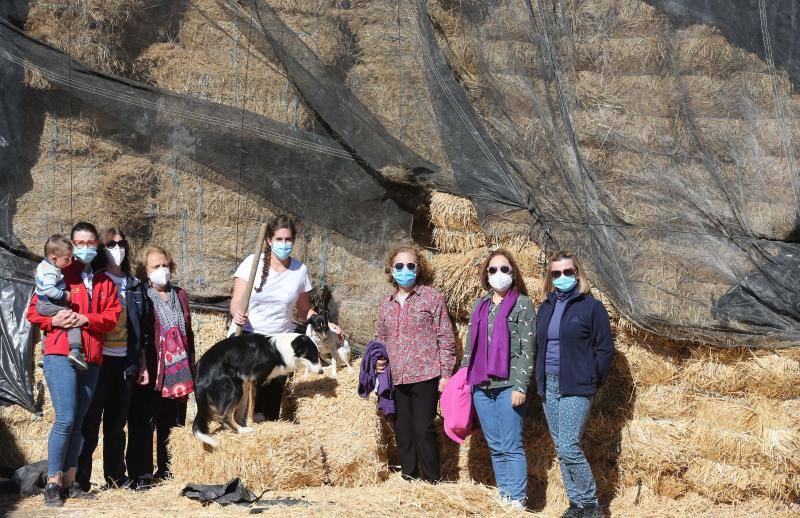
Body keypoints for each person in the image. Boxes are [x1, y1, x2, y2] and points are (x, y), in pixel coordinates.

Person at [26, 222, 121, 507]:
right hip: (60, 353)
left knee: (79, 422)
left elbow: (112, 316)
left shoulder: (105, 281)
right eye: (78, 243)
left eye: (90, 243)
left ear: (97, 246)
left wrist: (88, 319)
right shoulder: (58, 273)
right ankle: (52, 484)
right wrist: (53, 320)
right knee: (65, 418)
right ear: (71, 245)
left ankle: (71, 481)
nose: (84, 248)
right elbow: (35, 311)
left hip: (91, 357)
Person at [229, 215, 343, 422]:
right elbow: (236, 301)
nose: (284, 244)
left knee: (270, 405)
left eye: (288, 240)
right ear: (269, 241)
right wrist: (237, 313)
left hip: (279, 341)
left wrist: (325, 324)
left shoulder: (299, 270)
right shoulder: (251, 263)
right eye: (279, 239)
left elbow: (304, 310)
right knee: (244, 400)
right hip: (248, 337)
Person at [535, 251, 614, 518]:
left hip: (577, 384)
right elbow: (540, 346)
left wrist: (594, 378)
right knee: (561, 447)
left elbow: (604, 348)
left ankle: (591, 504)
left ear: (577, 274)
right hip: (550, 384)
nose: (562, 277)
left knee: (569, 445)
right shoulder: (545, 306)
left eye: (567, 272)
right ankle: (576, 503)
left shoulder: (591, 307)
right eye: (556, 273)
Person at [374, 245, 455, 483]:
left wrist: (446, 373)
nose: (405, 270)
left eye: (411, 266)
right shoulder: (386, 304)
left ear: (418, 269)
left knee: (423, 428)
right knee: (403, 431)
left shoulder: (431, 297)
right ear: (391, 270)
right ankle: (409, 477)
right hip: (396, 376)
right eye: (399, 266)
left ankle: (431, 481)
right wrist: (379, 362)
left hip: (425, 374)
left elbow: (445, 336)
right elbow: (381, 338)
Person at [461, 249, 534, 509]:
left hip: (508, 386)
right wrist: (464, 378)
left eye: (505, 269)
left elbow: (528, 349)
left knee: (511, 443)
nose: (499, 274)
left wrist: (521, 385)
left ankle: (517, 499)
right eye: (493, 270)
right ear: (486, 275)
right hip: (481, 386)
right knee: (495, 445)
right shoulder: (479, 306)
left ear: (513, 274)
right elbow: (470, 346)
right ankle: (505, 495)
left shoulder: (522, 303)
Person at [76, 229, 146, 490]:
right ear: (101, 249)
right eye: (111, 244)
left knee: (117, 426)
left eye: (121, 243)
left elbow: (141, 330)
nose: (117, 248)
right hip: (99, 360)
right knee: (90, 422)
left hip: (125, 362)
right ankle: (81, 479)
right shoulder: (94, 280)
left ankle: (116, 477)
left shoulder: (134, 284)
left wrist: (141, 362)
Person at [126, 245, 195, 489]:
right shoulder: (140, 295)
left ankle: (168, 470)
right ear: (145, 271)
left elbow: (188, 332)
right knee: (143, 424)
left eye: (165, 265)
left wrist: (191, 370)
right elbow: (138, 333)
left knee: (173, 425)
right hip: (152, 369)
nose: (162, 270)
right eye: (156, 267)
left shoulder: (181, 294)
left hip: (179, 372)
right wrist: (140, 364)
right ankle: (141, 476)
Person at [34, 234, 86, 371]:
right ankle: (75, 351)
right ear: (54, 258)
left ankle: (44, 354)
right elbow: (49, 289)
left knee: (49, 327)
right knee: (72, 319)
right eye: (66, 259)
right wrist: (65, 296)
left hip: (43, 304)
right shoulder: (52, 271)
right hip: (48, 303)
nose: (69, 262)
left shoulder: (43, 265)